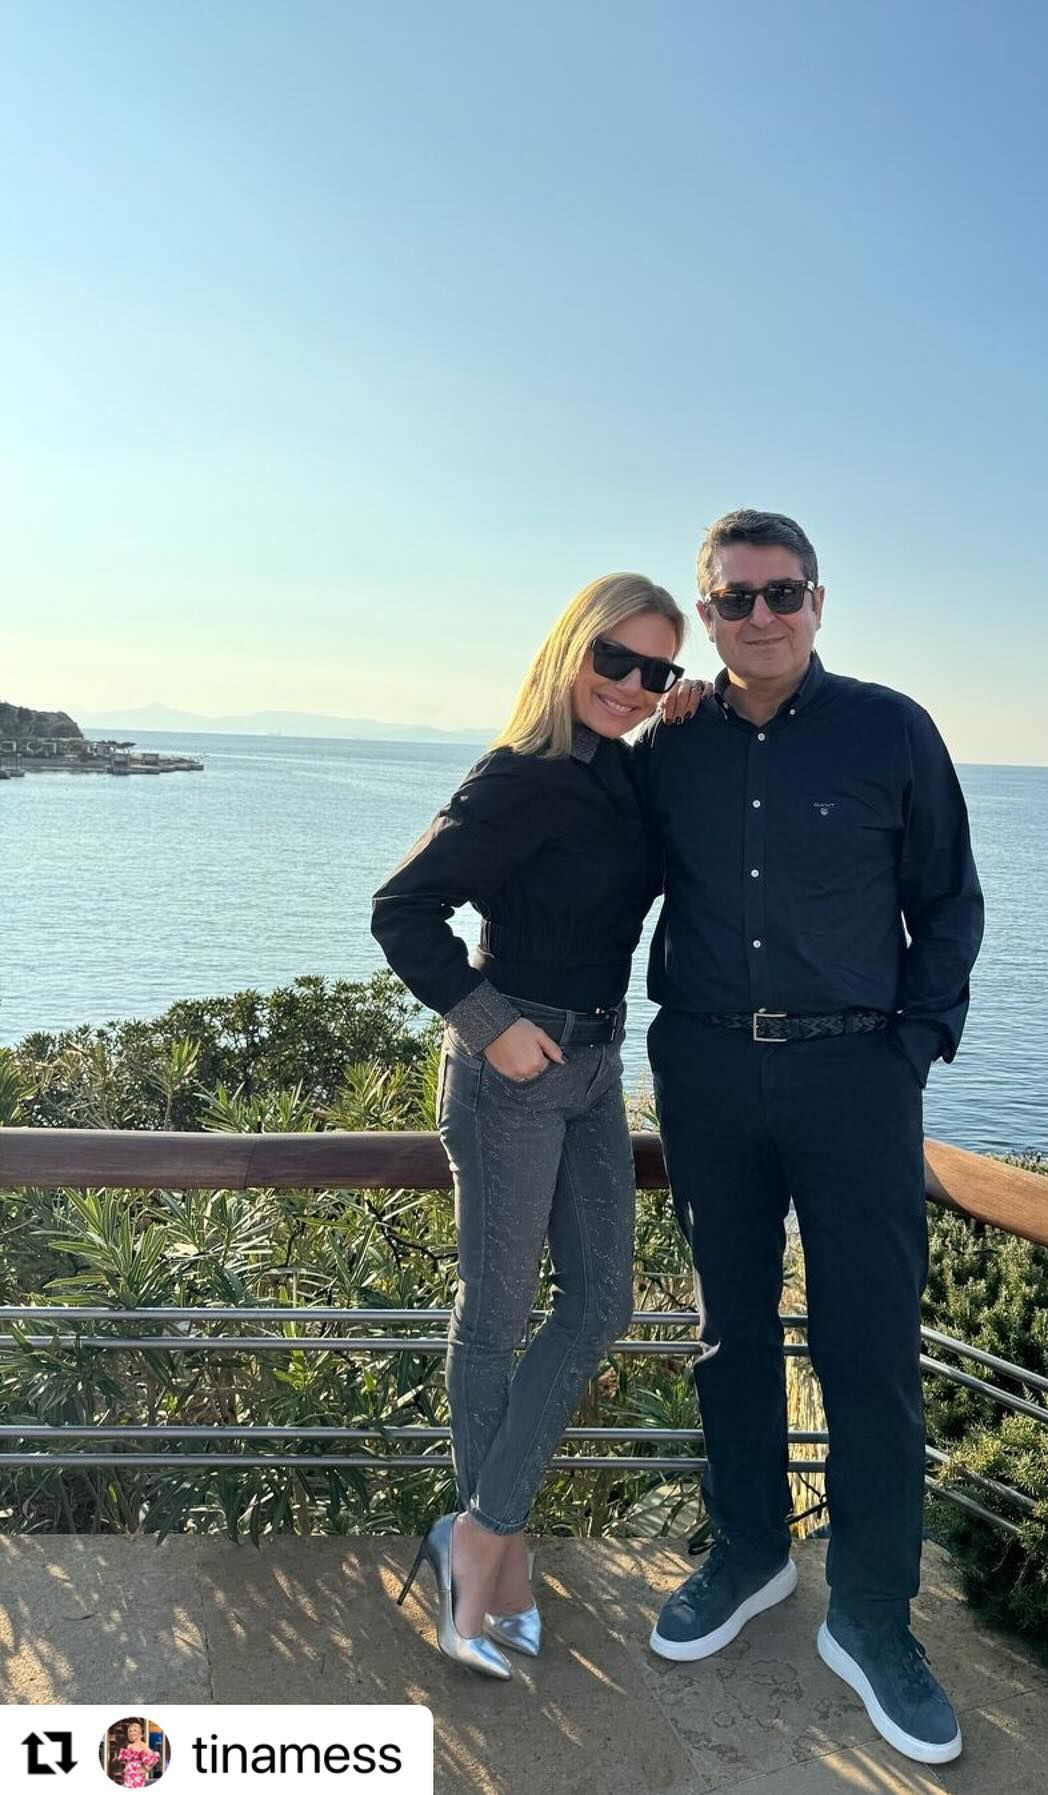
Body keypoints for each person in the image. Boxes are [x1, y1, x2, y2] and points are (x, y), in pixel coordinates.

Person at [635, 510, 983, 1765]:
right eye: (735, 598)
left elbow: (949, 901)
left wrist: (912, 1047)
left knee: (869, 1348)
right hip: (709, 1069)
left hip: (855, 1076)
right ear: (708, 616)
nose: (762, 614)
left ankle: (875, 1614)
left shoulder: (892, 729)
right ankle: (750, 1551)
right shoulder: (669, 744)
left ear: (819, 602)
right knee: (727, 1328)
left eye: (782, 592)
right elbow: (589, 866)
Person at [374, 572, 697, 1680]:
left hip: (598, 1062)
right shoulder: (518, 775)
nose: (632, 684)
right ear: (571, 649)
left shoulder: (624, 771)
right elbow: (401, 909)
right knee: (497, 1317)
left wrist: (686, 717)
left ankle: (477, 1531)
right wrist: (490, 1023)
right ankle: (493, 1559)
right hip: (513, 1067)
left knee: (602, 1301)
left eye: (657, 669)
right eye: (615, 658)